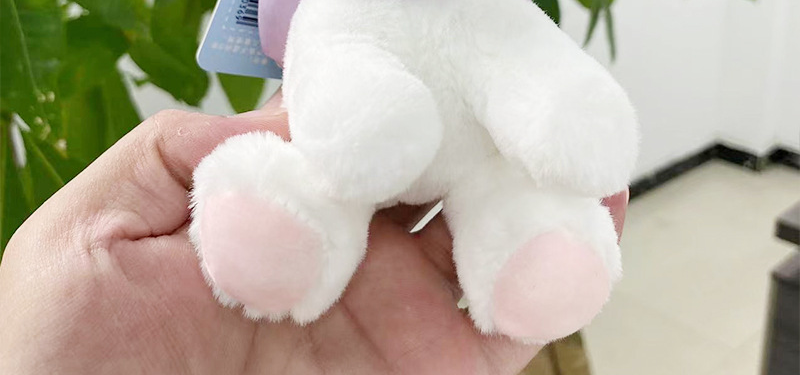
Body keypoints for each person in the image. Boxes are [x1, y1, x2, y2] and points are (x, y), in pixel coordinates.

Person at [0, 90, 627, 375]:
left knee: (500, 176)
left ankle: (530, 246)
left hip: (461, 142)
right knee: (317, 165)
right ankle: (274, 226)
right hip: (347, 138)